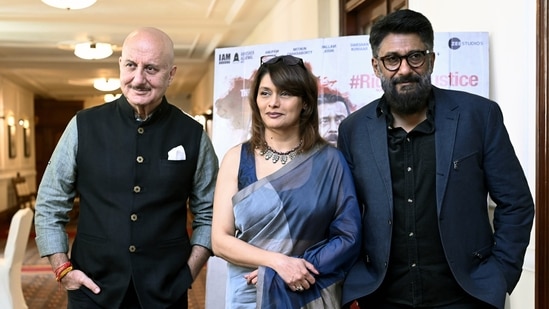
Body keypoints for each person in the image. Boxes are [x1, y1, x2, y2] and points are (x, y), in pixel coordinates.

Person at [339, 9, 535, 309]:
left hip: (465, 297)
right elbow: (343, 214)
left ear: (431, 60)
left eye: (415, 56)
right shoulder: (353, 130)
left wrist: (500, 276)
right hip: (382, 297)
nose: (404, 69)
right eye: (392, 59)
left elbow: (516, 202)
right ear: (376, 66)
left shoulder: (478, 116)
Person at [33, 27, 218, 309]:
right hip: (91, 289)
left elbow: (210, 213)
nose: (139, 79)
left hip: (165, 292)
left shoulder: (193, 134)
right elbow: (50, 202)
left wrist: (189, 272)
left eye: (152, 69)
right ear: (121, 65)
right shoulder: (83, 126)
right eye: (131, 65)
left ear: (171, 74)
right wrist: (62, 269)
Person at [211, 54, 362, 308]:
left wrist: (298, 268)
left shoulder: (330, 161)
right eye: (265, 93)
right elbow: (220, 240)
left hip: (309, 289)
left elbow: (348, 237)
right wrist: (278, 263)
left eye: (285, 94)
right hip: (250, 293)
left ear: (305, 103)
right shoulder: (236, 159)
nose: (273, 103)